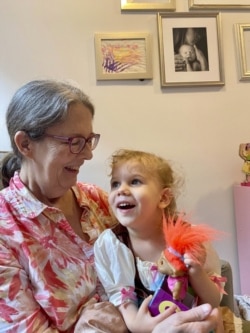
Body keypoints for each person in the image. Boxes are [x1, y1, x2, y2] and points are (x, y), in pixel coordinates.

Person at [0, 79, 224, 333]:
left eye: (89, 140)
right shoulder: (6, 230)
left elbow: (162, 245)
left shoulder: (96, 200)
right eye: (74, 141)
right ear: (26, 144)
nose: (88, 154)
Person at [94, 149, 224, 333]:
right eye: (115, 184)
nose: (121, 190)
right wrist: (138, 326)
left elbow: (213, 301)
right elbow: (121, 298)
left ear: (163, 198)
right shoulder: (111, 244)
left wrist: (197, 273)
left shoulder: (190, 239)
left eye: (135, 181)